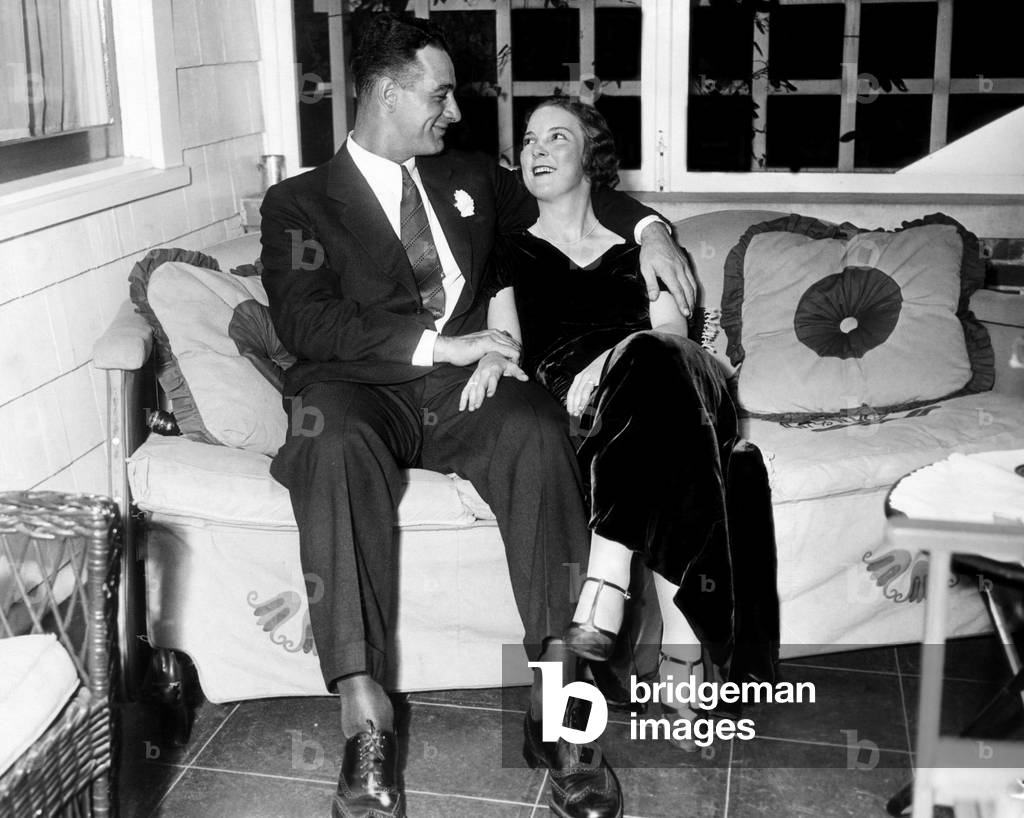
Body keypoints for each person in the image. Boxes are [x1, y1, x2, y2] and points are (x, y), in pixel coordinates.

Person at [259, 14, 696, 818]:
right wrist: (443, 346)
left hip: (467, 396)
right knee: (332, 440)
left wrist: (651, 228)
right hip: (360, 388)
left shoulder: (469, 176)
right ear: (388, 95)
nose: (455, 112)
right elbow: (306, 325)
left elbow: (574, 186)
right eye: (440, 94)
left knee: (535, 429)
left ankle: (561, 707)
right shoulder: (298, 204)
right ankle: (364, 711)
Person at [465, 97, 779, 749]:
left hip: (665, 383)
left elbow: (672, 338)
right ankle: (687, 660)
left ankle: (605, 584)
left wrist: (615, 354)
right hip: (582, 412)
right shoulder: (505, 248)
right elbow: (507, 341)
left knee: (655, 369)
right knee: (689, 445)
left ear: (592, 158)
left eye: (559, 137)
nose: (539, 150)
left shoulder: (647, 246)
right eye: (528, 140)